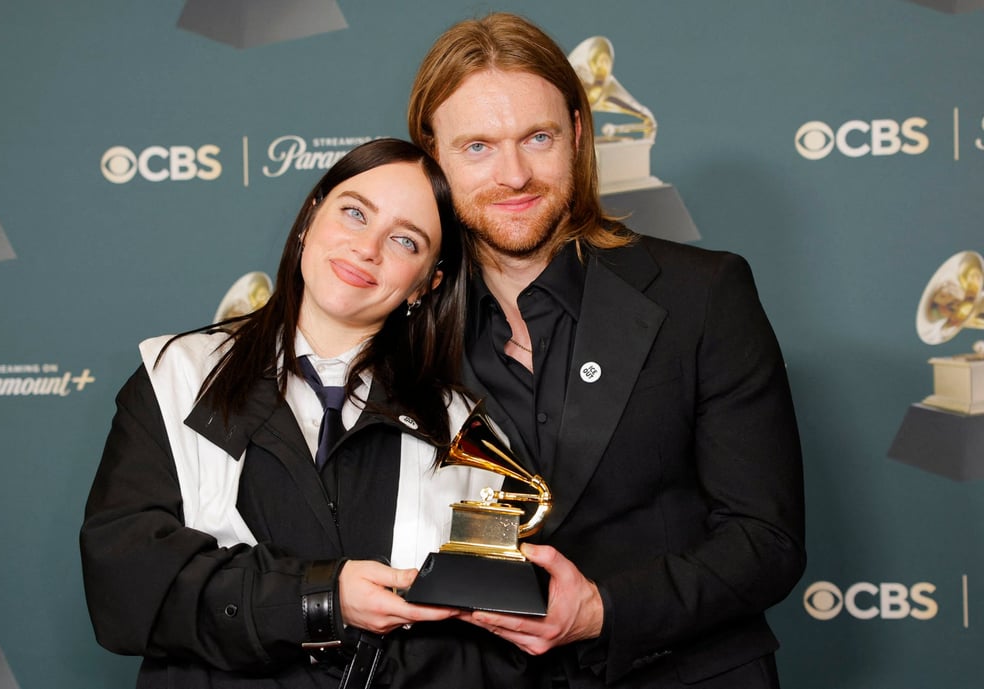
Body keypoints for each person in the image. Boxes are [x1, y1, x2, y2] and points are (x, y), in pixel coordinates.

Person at [407, 13, 806, 689]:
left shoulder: (702, 294)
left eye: (538, 137)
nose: (515, 175)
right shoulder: (403, 325)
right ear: (433, 156)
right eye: (477, 146)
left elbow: (765, 541)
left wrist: (600, 609)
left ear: (579, 135)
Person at [79, 138, 536, 689]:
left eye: (404, 240)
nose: (368, 248)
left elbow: (495, 641)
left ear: (427, 282)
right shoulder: (176, 376)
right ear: (309, 220)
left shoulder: (462, 428)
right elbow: (126, 582)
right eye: (354, 212)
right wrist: (320, 599)